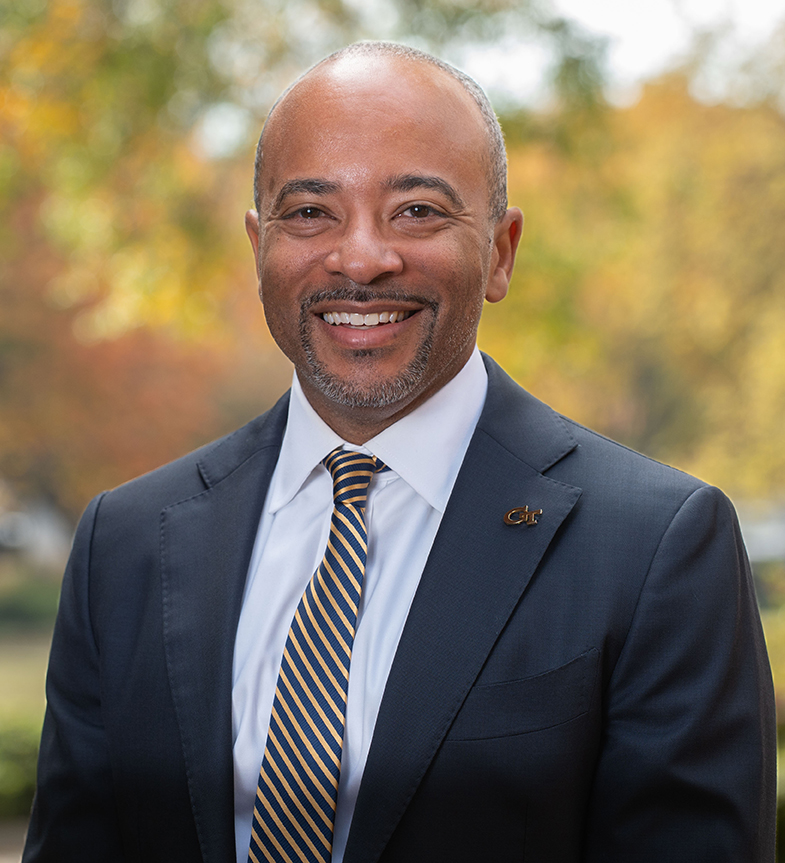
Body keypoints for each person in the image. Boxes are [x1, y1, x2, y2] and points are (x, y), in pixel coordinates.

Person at [23, 41, 775, 863]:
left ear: (499, 251)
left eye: (417, 210)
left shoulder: (657, 545)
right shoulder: (124, 543)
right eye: (310, 211)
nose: (361, 258)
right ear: (258, 247)